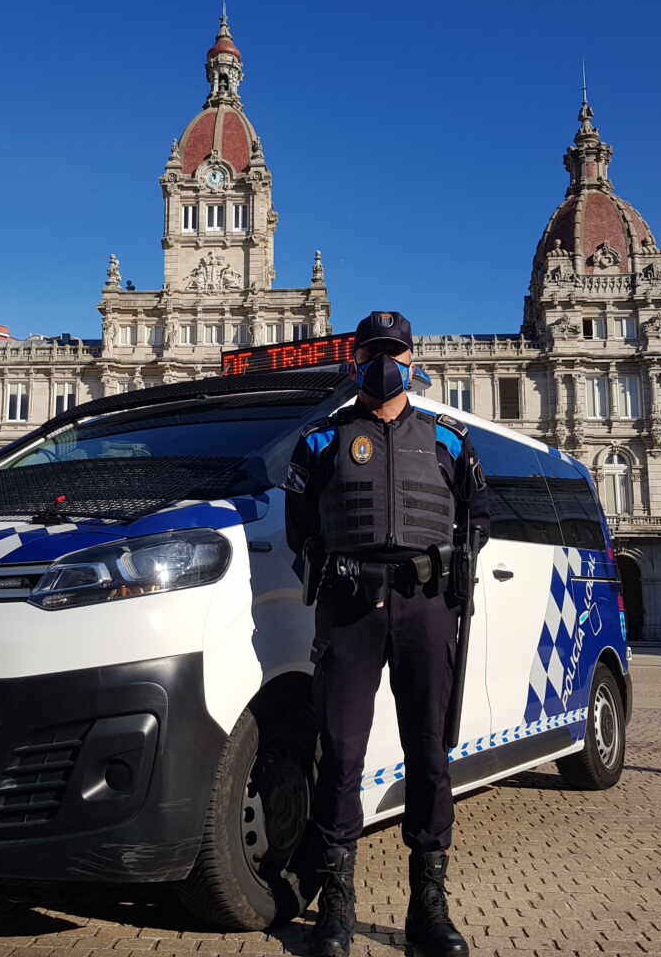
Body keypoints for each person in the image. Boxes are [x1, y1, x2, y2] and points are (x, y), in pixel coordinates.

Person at [284, 311, 488, 957]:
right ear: (355, 359)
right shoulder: (320, 441)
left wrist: (457, 573)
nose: (384, 359)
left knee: (429, 755)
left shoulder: (450, 440)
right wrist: (326, 563)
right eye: (373, 349)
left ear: (411, 357)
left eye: (394, 350)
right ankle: (335, 912)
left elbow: (477, 517)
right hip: (349, 609)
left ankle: (429, 907)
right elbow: (298, 525)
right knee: (341, 756)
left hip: (426, 606)